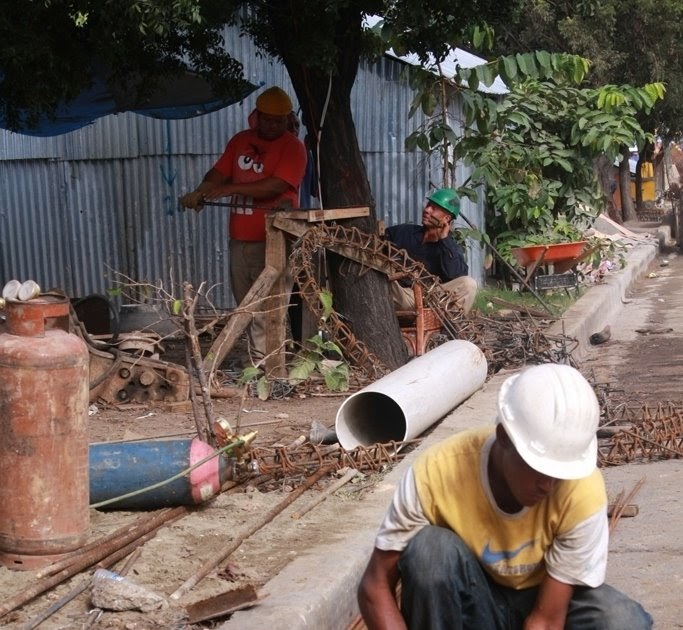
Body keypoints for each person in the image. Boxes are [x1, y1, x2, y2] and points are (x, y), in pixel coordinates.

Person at [357, 363, 653, 630]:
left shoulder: (581, 490)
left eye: (559, 473)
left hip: (542, 599)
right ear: (503, 438)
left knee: (620, 620)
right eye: (539, 469)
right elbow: (375, 587)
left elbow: (547, 620)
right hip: (468, 603)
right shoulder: (436, 474)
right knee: (431, 552)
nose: (549, 486)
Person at [180, 86, 307, 363]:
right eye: (268, 119)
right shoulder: (240, 141)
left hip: (273, 240)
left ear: (287, 120)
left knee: (270, 306)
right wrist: (201, 191)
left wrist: (228, 189)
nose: (273, 125)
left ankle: (269, 366)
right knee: (245, 306)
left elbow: (275, 186)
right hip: (240, 239)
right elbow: (218, 173)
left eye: (279, 120)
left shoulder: (293, 147)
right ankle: (257, 363)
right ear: (256, 116)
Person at [385, 188, 477, 314]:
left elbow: (458, 276)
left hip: (431, 297)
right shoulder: (403, 232)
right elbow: (380, 240)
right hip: (404, 295)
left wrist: (444, 239)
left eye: (434, 208)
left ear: (446, 218)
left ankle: (450, 328)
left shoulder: (449, 247)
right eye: (428, 205)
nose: (426, 210)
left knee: (469, 284)